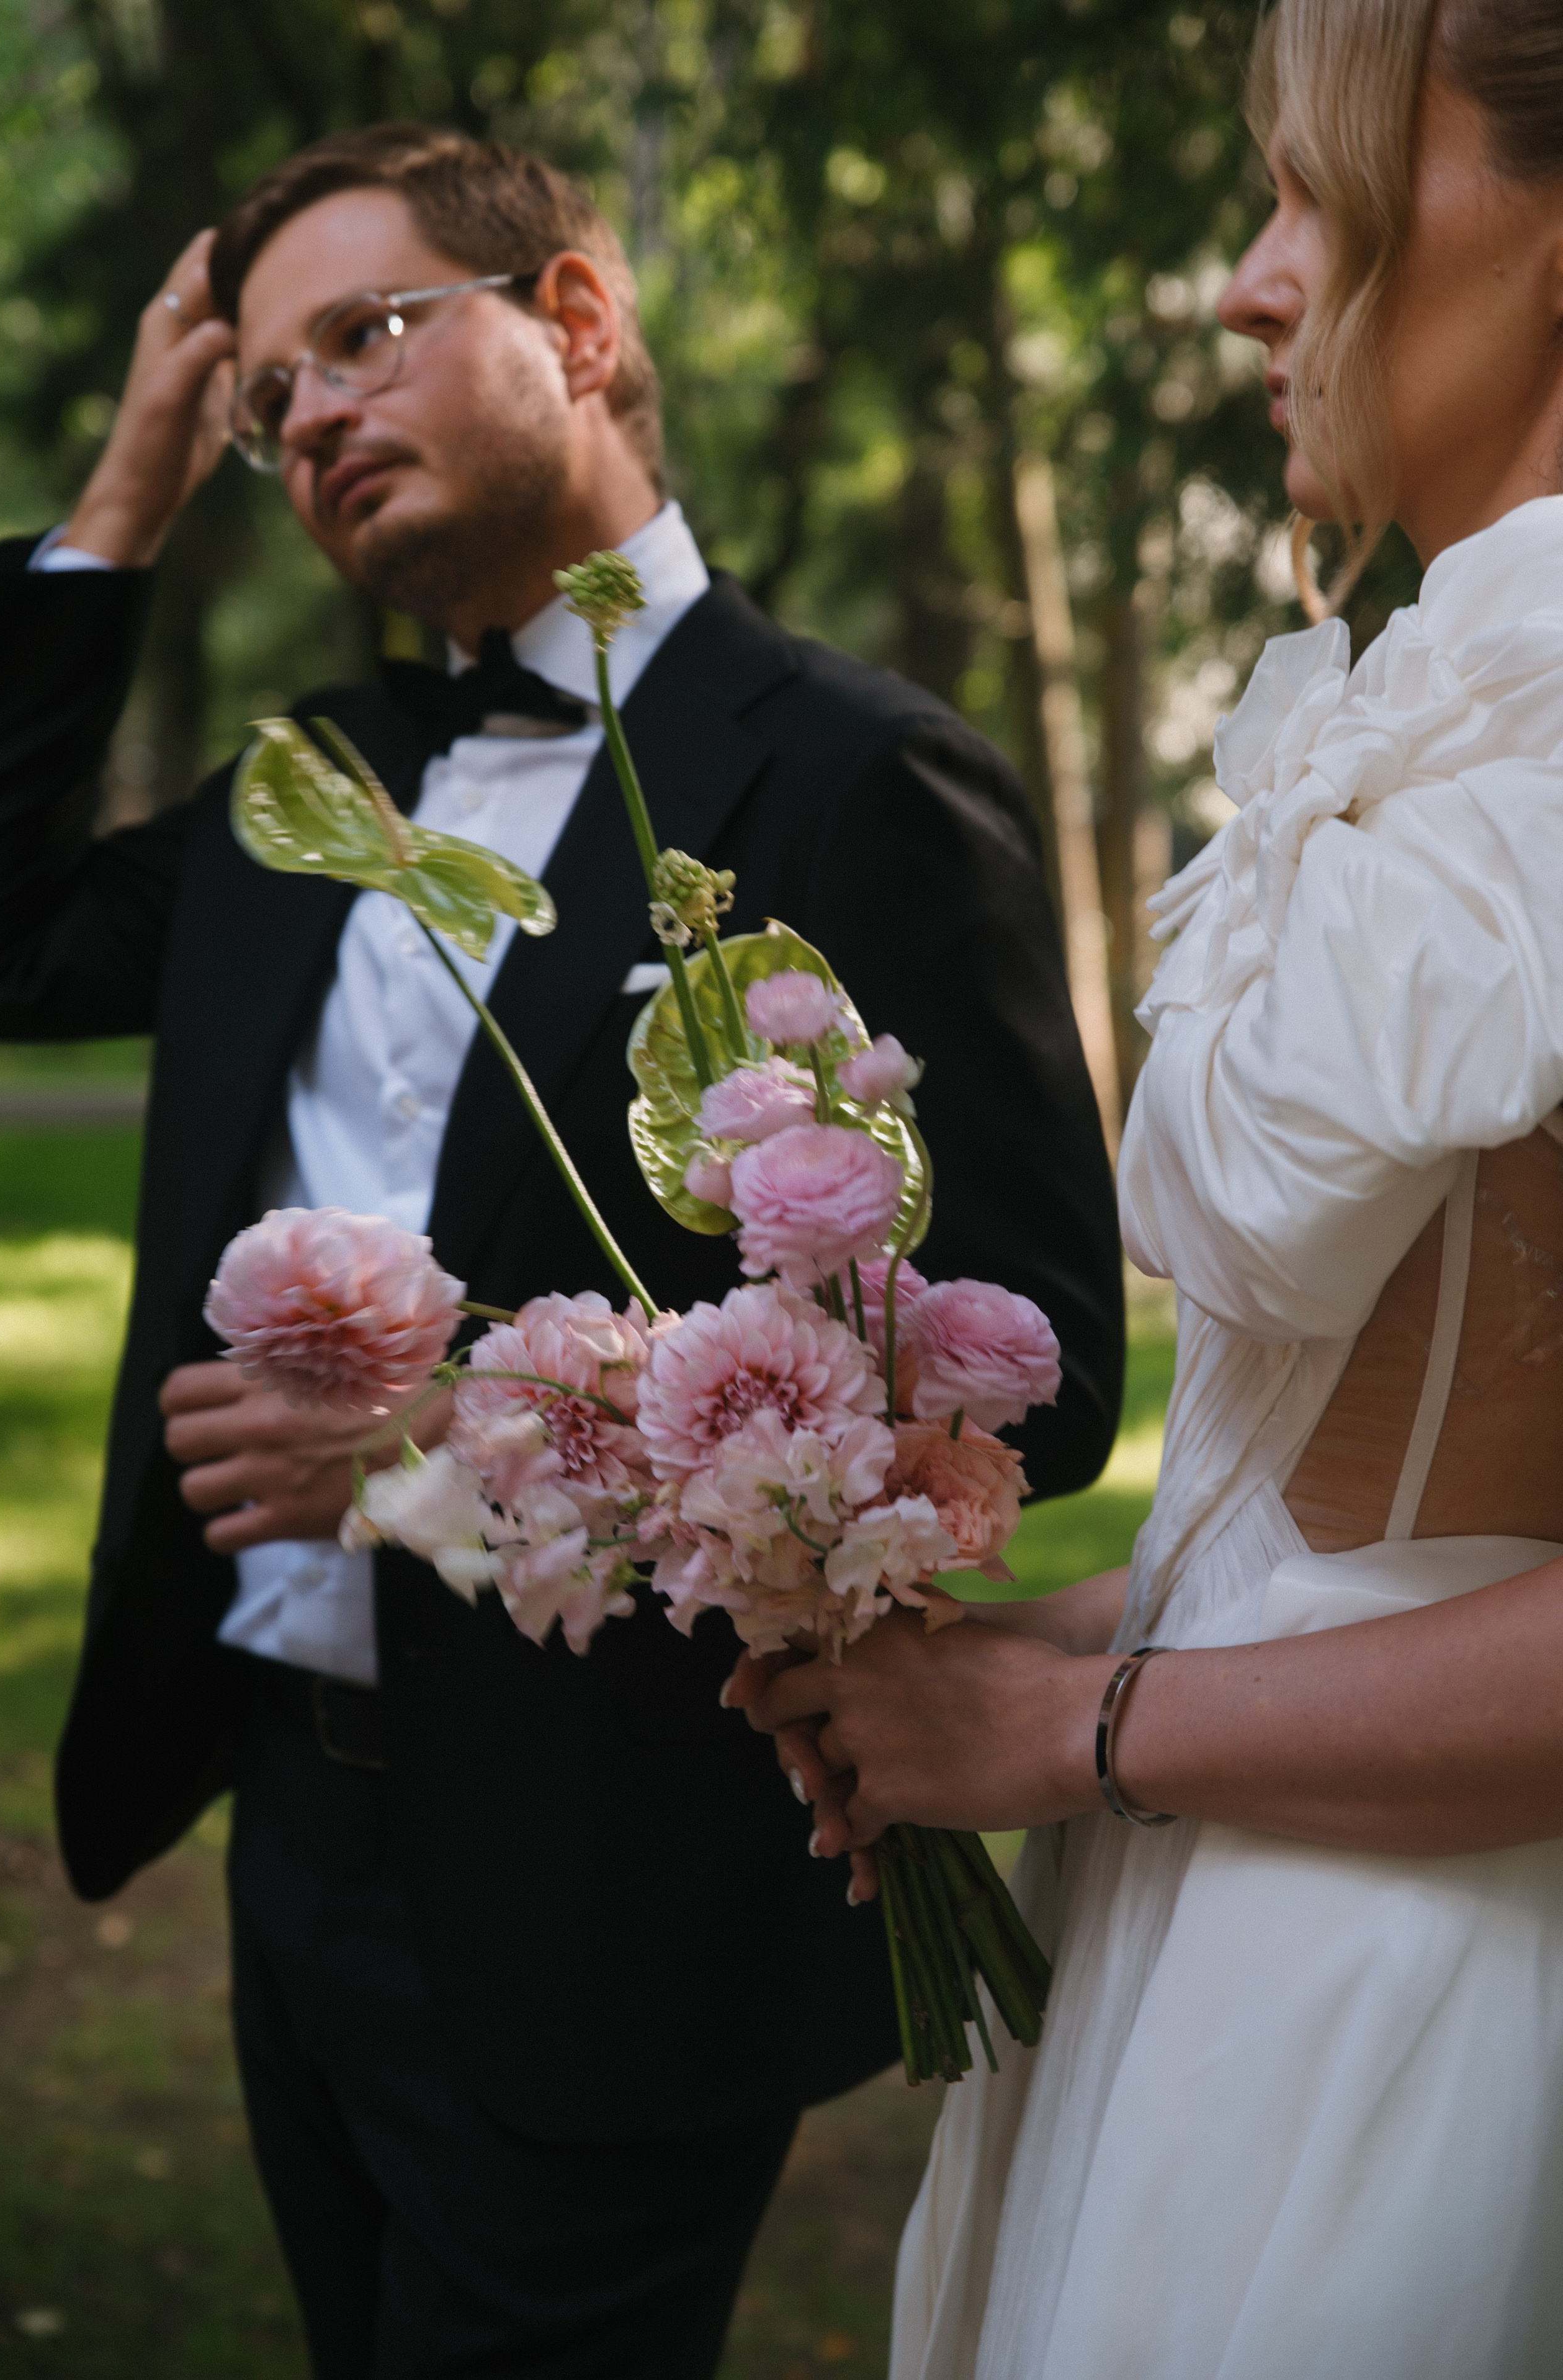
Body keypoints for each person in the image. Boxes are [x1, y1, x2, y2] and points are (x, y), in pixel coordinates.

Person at [0, 126, 1123, 2379]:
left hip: (619, 1885)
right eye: (263, 393)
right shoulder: (308, 789)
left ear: (578, 326)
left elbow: (1040, 1371)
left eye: (367, 336)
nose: (302, 413)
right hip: (288, 1832)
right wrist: (121, 490)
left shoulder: (868, 780)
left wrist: (456, 1438)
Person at [741, 2, 1563, 2374]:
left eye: (1311, 190)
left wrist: (1079, 1743)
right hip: (1202, 1934)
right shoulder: (1423, 707)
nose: (1245, 275)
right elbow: (1384, 1513)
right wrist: (1028, 1640)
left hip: (1414, 1998)